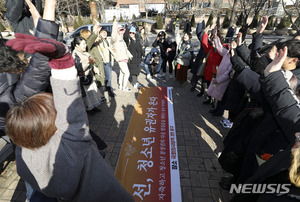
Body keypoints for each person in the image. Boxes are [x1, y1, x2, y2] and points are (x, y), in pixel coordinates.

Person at [5, 34, 134, 202]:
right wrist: (62, 61)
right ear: (48, 124)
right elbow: (70, 108)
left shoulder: (23, 160)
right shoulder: (72, 144)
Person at [71, 35, 104, 113]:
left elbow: (91, 63)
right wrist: (87, 63)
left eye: (85, 44)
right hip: (84, 78)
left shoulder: (84, 52)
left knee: (93, 93)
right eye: (83, 44)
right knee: (87, 94)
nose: (85, 46)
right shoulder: (75, 54)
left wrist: (94, 68)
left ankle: (94, 106)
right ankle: (89, 108)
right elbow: (78, 68)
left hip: (90, 76)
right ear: (77, 45)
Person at [111, 18, 133, 92]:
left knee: (122, 73)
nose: (121, 32)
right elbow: (113, 34)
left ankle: (120, 86)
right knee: (127, 73)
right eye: (120, 30)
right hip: (120, 58)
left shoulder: (122, 39)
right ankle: (124, 87)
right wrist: (115, 23)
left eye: (122, 30)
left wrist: (130, 55)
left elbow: (126, 49)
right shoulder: (115, 39)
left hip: (124, 58)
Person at [98, 28, 116, 97]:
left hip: (109, 60)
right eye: (102, 32)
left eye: (105, 32)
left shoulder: (107, 40)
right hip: (105, 61)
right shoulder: (99, 41)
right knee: (109, 76)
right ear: (99, 33)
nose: (104, 33)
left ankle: (107, 87)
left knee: (108, 76)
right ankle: (109, 90)